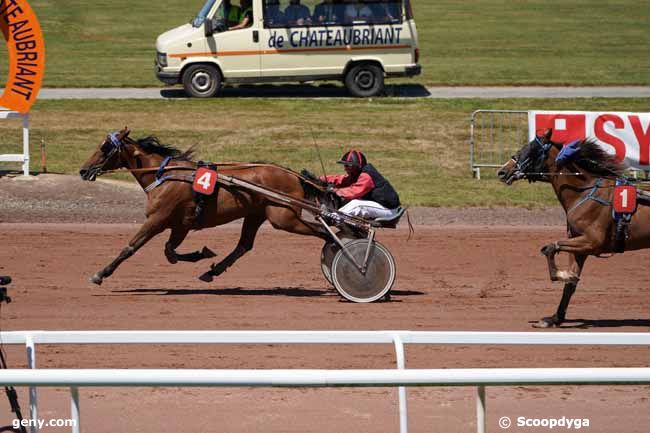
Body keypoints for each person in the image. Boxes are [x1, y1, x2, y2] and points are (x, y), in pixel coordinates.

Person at [321, 149, 401, 220]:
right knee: (351, 202)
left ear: (357, 166)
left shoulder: (367, 176)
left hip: (389, 210)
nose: (345, 168)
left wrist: (336, 191)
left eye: (348, 165)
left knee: (357, 204)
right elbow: (342, 179)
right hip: (380, 206)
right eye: (345, 165)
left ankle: (333, 217)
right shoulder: (357, 173)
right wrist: (322, 179)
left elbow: (354, 192)